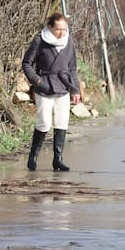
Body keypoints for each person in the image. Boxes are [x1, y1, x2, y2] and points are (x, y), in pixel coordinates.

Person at [21, 12, 83, 171]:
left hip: (63, 86)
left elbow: (73, 68)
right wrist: (37, 81)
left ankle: (58, 159)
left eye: (64, 29)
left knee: (62, 122)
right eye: (58, 29)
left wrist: (75, 90)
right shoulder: (40, 40)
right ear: (50, 27)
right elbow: (27, 63)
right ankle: (33, 156)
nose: (61, 32)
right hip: (45, 86)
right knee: (44, 122)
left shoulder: (68, 41)